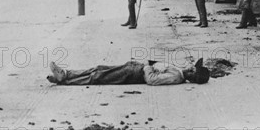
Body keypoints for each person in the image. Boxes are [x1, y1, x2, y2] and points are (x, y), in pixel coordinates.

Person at [47, 58, 210, 86]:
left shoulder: (175, 77)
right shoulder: (179, 71)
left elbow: (152, 80)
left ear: (193, 76)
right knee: (98, 68)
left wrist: (146, 66)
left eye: (193, 69)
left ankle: (65, 81)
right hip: (134, 67)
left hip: (134, 74)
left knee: (97, 77)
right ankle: (66, 74)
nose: (190, 66)